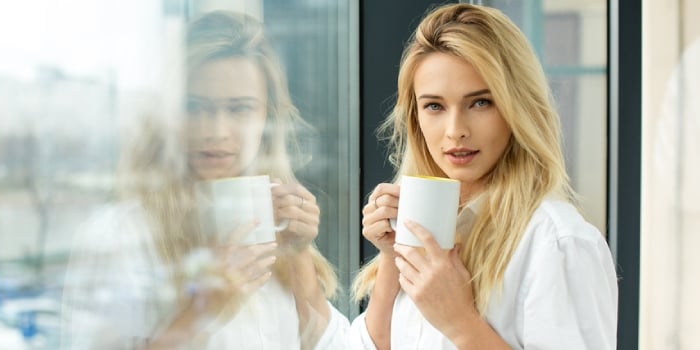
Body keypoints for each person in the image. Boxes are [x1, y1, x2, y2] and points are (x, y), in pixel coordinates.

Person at [60, 10, 349, 349]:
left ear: (266, 118)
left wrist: (299, 255)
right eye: (193, 107)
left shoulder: (274, 230)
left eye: (239, 108)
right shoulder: (118, 237)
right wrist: (203, 307)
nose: (215, 131)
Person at [350, 4, 618, 349]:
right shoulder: (425, 227)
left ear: (515, 106)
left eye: (480, 103)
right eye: (434, 106)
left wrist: (462, 324)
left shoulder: (558, 243)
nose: (455, 131)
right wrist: (391, 257)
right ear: (415, 118)